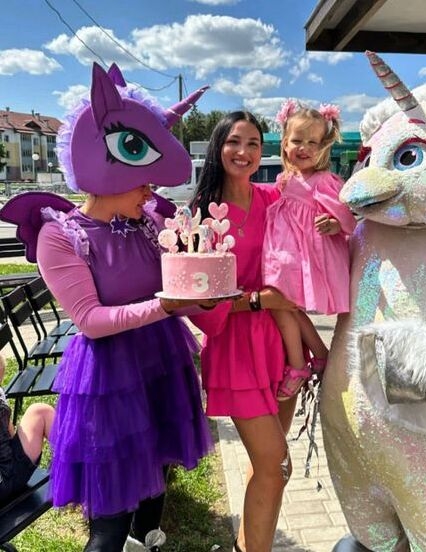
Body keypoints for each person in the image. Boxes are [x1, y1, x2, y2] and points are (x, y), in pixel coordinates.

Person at [0, 62, 216, 552]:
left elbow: (180, 287)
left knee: (157, 477)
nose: (152, 190)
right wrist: (167, 307)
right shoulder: (61, 235)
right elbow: (91, 321)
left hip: (161, 360)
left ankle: (148, 541)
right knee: (111, 515)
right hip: (109, 377)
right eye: (143, 180)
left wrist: (208, 295)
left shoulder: (149, 223)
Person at [189, 111, 301, 552]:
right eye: (234, 141)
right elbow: (201, 305)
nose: (244, 151)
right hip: (235, 349)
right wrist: (258, 300)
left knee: (271, 466)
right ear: (219, 147)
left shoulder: (273, 197)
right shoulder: (201, 217)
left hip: (279, 345)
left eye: (254, 143)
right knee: (275, 463)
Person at [262, 100, 356, 400]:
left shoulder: (323, 180)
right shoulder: (286, 179)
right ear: (285, 143)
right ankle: (320, 354)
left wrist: (334, 224)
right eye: (297, 141)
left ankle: (298, 365)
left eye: (312, 142)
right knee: (285, 305)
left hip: (301, 256)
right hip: (283, 253)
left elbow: (346, 217)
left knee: (280, 304)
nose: (304, 148)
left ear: (323, 146)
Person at [0, 354, 54, 502]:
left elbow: (10, 432)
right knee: (41, 412)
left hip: (7, 471)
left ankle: (75, 469)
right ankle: (79, 473)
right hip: (6, 478)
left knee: (40, 412)